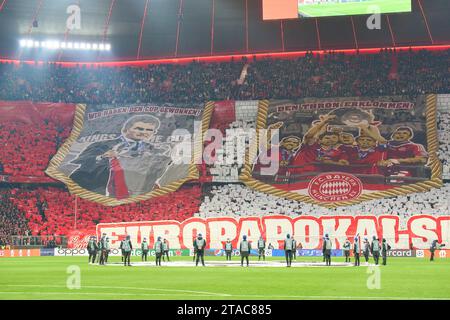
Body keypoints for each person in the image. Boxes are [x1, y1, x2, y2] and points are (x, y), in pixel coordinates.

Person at [69, 115, 173, 199]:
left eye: (149, 130)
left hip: (136, 193)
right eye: (139, 128)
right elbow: (81, 160)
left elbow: (158, 172)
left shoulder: (155, 150)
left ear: (154, 133)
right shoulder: (104, 144)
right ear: (126, 129)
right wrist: (103, 156)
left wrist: (167, 159)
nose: (144, 132)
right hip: (99, 190)